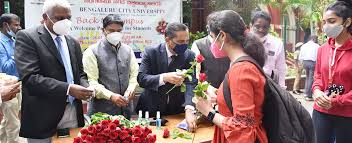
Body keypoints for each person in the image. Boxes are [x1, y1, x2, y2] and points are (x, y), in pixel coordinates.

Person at [14, 0, 94, 142]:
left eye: (68, 18)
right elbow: (31, 78)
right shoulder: (27, 37)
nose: (65, 22)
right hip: (43, 115)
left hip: (72, 113)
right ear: (45, 17)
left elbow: (80, 74)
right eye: (59, 18)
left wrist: (86, 86)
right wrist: (68, 89)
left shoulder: (72, 42)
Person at [195, 10, 268, 143]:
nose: (211, 44)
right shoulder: (243, 64)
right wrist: (222, 96)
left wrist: (209, 112)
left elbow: (243, 129)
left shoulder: (241, 70)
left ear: (222, 35)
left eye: (212, 37)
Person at [136, 22, 197, 131]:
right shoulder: (151, 52)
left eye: (187, 41)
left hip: (177, 110)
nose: (184, 45)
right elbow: (142, 79)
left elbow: (190, 83)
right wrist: (164, 78)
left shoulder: (189, 55)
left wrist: (189, 109)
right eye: (180, 42)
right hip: (151, 110)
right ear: (167, 39)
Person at [83, 14, 139, 118]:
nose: (115, 34)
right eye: (111, 30)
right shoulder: (92, 51)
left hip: (125, 110)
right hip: (101, 113)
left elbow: (134, 74)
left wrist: (131, 89)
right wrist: (111, 96)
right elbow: (92, 82)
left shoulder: (128, 50)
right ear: (103, 30)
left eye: (119, 30)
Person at [312, 0, 352, 142]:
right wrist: (316, 91)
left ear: (347, 22)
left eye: (331, 21)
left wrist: (336, 101)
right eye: (324, 22)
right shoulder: (322, 49)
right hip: (321, 111)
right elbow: (317, 76)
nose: (326, 27)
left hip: (347, 114)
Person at [191, 13, 230, 104]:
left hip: (228, 96)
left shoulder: (230, 44)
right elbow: (195, 74)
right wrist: (207, 87)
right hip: (208, 97)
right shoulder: (199, 45)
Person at [0, 13, 22, 143]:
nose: (19, 28)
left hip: (17, 84)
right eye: (16, 25)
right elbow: (5, 68)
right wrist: (17, 51)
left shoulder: (13, 40)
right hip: (6, 85)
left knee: (9, 119)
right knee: (13, 123)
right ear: (5, 25)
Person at [251, 11, 286, 89]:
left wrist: (282, 89)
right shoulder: (243, 42)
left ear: (269, 27)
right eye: (257, 26)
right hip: (249, 84)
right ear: (251, 25)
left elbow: (281, 67)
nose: (261, 29)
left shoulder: (277, 43)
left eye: (265, 27)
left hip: (269, 87)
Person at [299, 35, 320, 101]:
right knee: (311, 78)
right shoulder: (316, 46)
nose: (317, 40)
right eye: (316, 39)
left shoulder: (304, 45)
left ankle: (306, 93)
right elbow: (318, 56)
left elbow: (301, 55)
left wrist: (301, 63)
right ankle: (309, 95)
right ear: (314, 39)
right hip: (312, 62)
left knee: (307, 77)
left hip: (305, 62)